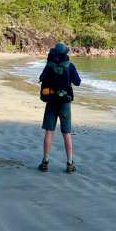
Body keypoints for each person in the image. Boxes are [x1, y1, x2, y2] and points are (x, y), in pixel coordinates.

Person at [38, 42, 81, 173]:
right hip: (65, 102)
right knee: (66, 133)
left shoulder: (49, 66)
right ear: (65, 54)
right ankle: (69, 163)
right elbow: (77, 82)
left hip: (51, 101)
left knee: (49, 132)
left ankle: (45, 162)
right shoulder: (70, 66)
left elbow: (41, 79)